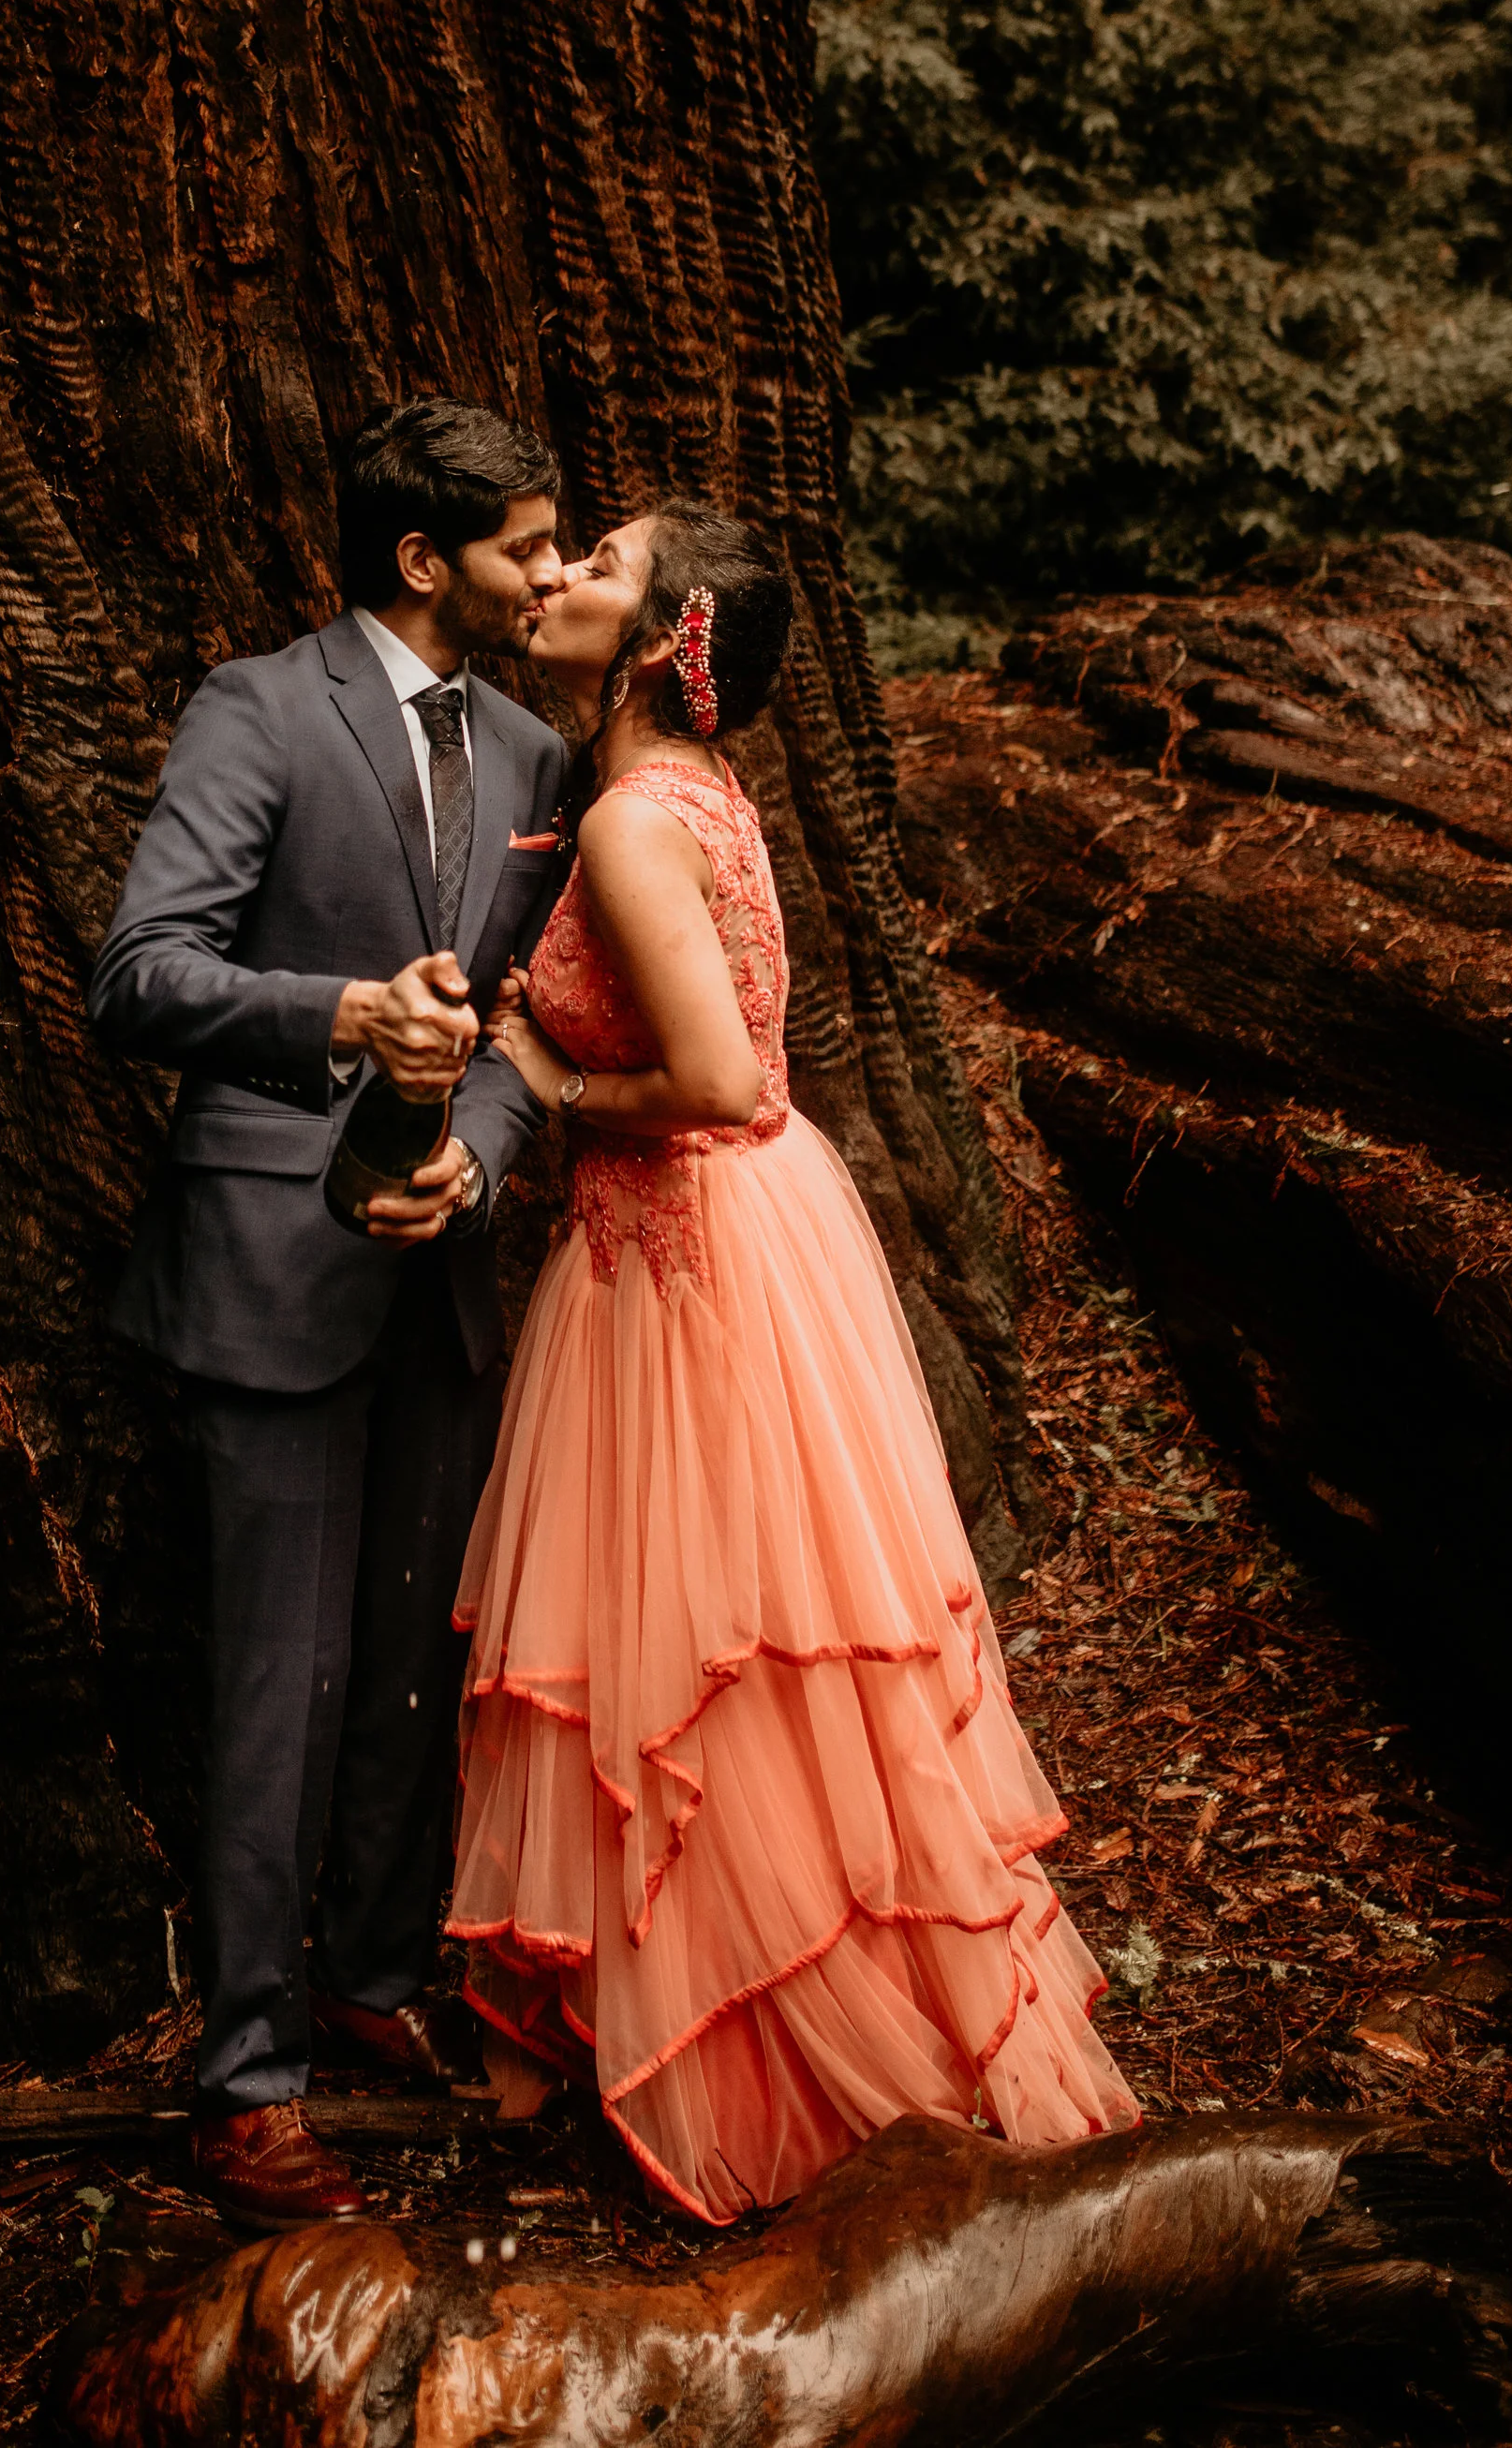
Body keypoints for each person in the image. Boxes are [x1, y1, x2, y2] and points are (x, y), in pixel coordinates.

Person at [452, 502, 1138, 2221]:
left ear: (657, 634)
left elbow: (716, 1081)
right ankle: (653, 1988)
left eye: (597, 566)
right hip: (712, 1244)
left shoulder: (627, 821)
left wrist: (539, 1073)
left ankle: (782, 2024)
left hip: (684, 1251)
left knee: (714, 1650)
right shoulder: (703, 800)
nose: (560, 580)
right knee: (720, 1641)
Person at [90, 401, 571, 2232]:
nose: (550, 571)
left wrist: (487, 1151)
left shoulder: (534, 752)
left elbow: (534, 1017)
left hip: (441, 1275)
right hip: (268, 1271)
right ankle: (246, 2078)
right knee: (274, 1686)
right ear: (419, 559)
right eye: (525, 544)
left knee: (401, 1668)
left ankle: (370, 1986)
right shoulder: (257, 708)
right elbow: (139, 974)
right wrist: (340, 1017)